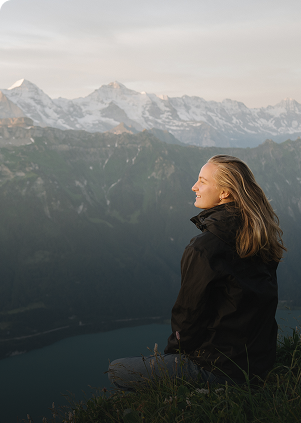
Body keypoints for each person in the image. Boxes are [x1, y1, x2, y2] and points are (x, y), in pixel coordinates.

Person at [108, 155, 286, 389]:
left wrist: (173, 358)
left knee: (117, 371)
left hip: (220, 370)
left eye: (202, 181)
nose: (194, 186)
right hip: (258, 363)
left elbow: (188, 317)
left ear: (224, 193)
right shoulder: (258, 235)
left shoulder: (204, 248)